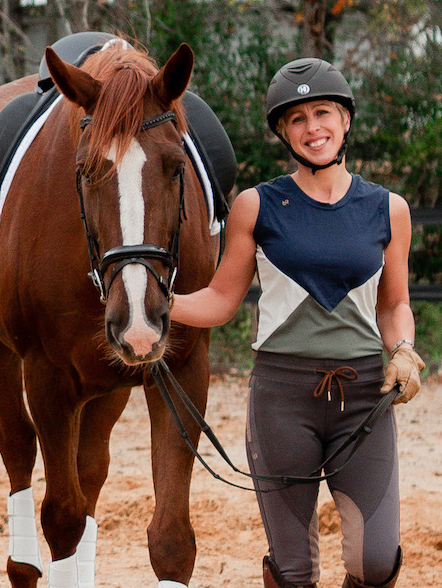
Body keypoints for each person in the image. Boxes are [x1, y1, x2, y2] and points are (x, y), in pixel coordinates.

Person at [170, 58, 425, 588]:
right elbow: (220, 300)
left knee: (376, 564)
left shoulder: (388, 209)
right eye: (297, 119)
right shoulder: (256, 206)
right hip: (281, 399)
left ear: (345, 119)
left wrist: (403, 348)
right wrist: (155, 305)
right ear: (283, 133)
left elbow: (394, 304)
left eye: (323, 113)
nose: (313, 128)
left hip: (363, 397)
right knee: (292, 572)